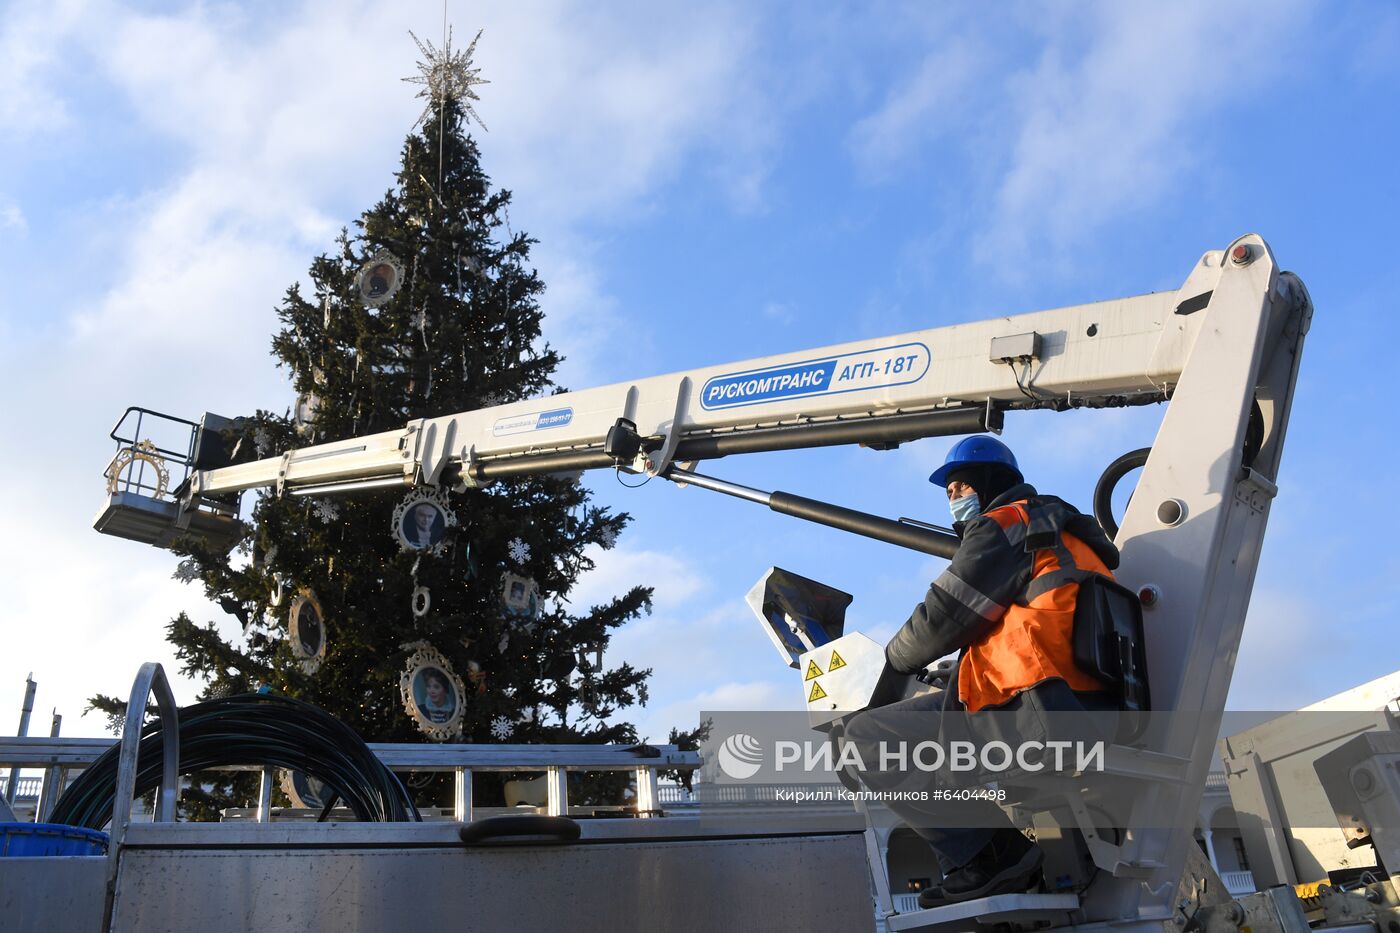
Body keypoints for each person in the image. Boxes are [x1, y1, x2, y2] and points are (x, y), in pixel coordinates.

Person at [842, 435, 1121, 908]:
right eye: (948, 491)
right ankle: (997, 851)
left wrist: (889, 667)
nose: (954, 498)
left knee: (863, 740)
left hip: (1034, 710)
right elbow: (1036, 628)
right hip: (1086, 700)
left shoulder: (1005, 524)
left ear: (993, 483)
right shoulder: (1070, 534)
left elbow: (940, 618)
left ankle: (990, 854)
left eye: (961, 486)